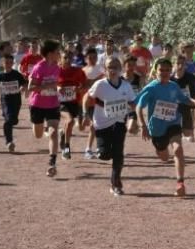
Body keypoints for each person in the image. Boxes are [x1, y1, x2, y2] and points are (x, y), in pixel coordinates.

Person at [135, 58, 195, 196]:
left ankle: (180, 182)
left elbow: (184, 99)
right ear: (155, 71)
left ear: (171, 70)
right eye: (161, 70)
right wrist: (143, 125)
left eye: (167, 70)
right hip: (157, 129)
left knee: (178, 149)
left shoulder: (173, 86)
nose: (164, 73)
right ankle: (160, 149)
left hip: (173, 123)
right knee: (164, 157)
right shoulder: (151, 88)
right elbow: (138, 107)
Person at [83, 57, 136, 195]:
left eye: (115, 67)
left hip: (119, 123)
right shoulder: (100, 84)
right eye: (109, 67)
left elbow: (132, 103)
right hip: (101, 124)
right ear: (105, 70)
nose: (113, 70)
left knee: (118, 153)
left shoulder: (126, 86)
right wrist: (85, 115)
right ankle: (104, 152)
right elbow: (86, 98)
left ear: (120, 69)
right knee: (105, 155)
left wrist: (132, 118)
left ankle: (115, 183)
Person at [27, 40, 63, 177]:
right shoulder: (38, 68)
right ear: (49, 54)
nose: (59, 54)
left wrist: (60, 88)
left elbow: (60, 84)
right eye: (57, 52)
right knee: (38, 135)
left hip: (53, 104)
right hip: (37, 105)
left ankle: (52, 162)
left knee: (54, 133)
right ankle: (43, 129)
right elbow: (31, 88)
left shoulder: (58, 68)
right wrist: (48, 86)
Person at [0, 53, 27, 152]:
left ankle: (11, 127)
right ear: (3, 63)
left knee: (13, 120)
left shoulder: (16, 74)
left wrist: (21, 89)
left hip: (16, 100)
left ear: (12, 63)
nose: (8, 64)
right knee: (8, 121)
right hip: (5, 101)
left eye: (10, 63)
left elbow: (24, 84)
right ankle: (9, 142)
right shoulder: (0, 76)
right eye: (6, 62)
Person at [57, 48, 88, 159]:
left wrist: (80, 89)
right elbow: (49, 83)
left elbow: (85, 85)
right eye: (65, 57)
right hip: (60, 103)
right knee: (70, 121)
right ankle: (66, 148)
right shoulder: (56, 71)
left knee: (69, 123)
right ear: (60, 59)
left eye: (70, 57)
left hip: (75, 102)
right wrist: (57, 87)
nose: (68, 59)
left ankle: (63, 134)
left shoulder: (78, 71)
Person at [82, 47, 106, 159]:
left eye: (94, 57)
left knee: (95, 126)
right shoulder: (82, 71)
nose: (92, 59)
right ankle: (88, 149)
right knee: (87, 127)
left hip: (99, 102)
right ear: (86, 58)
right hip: (87, 102)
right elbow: (80, 86)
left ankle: (91, 149)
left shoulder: (102, 70)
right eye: (90, 57)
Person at [171, 54, 195, 141]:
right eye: (177, 63)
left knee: (187, 132)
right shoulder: (170, 79)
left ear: (185, 65)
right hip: (173, 106)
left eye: (182, 64)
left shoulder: (190, 77)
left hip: (187, 104)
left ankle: (190, 133)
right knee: (174, 133)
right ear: (173, 64)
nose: (180, 66)